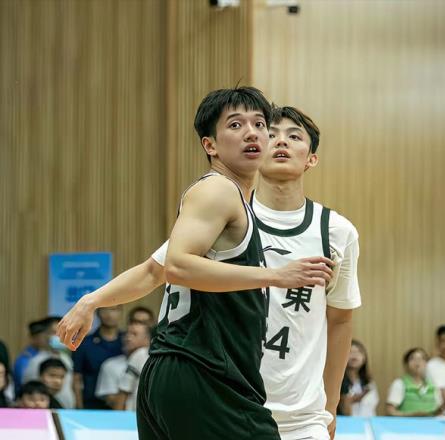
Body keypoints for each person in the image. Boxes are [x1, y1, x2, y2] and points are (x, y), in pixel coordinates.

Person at [56, 87, 333, 440]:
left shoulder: (226, 204)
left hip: (169, 375)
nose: (252, 132)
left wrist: (91, 300)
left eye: (259, 124)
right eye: (235, 125)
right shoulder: (218, 191)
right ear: (210, 145)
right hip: (204, 374)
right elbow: (178, 266)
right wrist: (276, 276)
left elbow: (152, 271)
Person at [153, 105, 361, 440]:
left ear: (311, 159)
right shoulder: (227, 213)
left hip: (303, 416)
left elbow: (340, 320)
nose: (281, 142)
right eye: (272, 134)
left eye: (294, 137)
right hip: (230, 401)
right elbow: (157, 269)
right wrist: (93, 301)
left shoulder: (337, 231)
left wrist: (331, 405)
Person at [72, 306, 124, 409]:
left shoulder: (127, 341)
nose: (110, 314)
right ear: (97, 313)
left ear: (121, 312)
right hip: (91, 403)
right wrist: (79, 407)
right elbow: (76, 377)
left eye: (114, 309)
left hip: (121, 404)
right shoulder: (84, 343)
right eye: (105, 309)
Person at [95, 321, 151, 410]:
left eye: (134, 334)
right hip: (128, 415)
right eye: (126, 334)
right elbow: (121, 394)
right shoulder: (110, 365)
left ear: (147, 339)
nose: (128, 337)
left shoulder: (151, 358)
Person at [22, 316, 75, 408]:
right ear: (45, 335)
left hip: (67, 408)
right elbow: (30, 389)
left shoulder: (67, 359)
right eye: (55, 332)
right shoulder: (35, 361)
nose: (60, 336)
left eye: (63, 332)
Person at [386, 348, 443, 417]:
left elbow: (439, 410)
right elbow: (390, 411)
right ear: (406, 364)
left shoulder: (433, 385)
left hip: (430, 423)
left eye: (422, 359)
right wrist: (412, 415)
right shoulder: (400, 384)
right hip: (406, 423)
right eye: (413, 359)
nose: (417, 362)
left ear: (427, 363)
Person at [339, 340, 379, 417]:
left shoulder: (369, 381)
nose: (354, 355)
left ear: (364, 358)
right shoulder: (338, 381)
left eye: (358, 352)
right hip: (344, 422)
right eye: (350, 352)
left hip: (368, 421)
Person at [13, 318, 51, 393]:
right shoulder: (25, 358)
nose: (47, 340)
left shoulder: (46, 354)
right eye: (44, 337)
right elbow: (23, 382)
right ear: (33, 338)